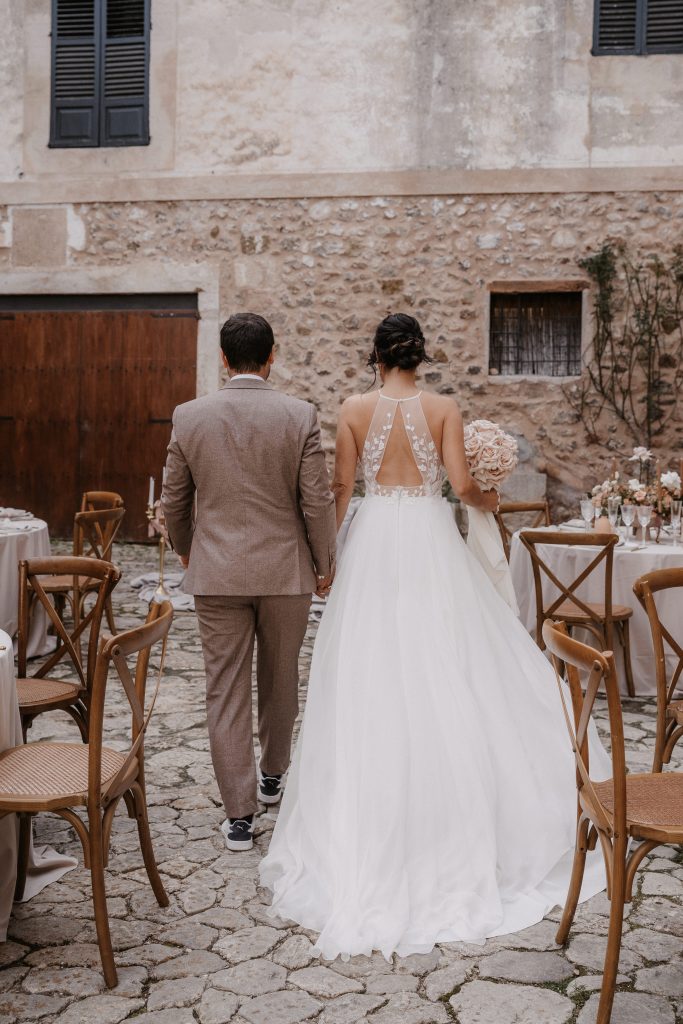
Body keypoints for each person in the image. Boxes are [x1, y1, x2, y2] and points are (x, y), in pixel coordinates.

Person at [259, 312, 610, 960]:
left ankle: (370, 807)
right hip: (427, 537)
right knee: (447, 654)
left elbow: (341, 487)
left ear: (375, 356)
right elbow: (461, 485)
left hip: (373, 539)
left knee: (369, 666)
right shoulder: (443, 407)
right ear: (420, 357)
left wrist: (327, 559)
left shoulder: (353, 408)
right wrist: (489, 501)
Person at [162, 313, 336, 852]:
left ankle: (238, 817)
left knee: (225, 689)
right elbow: (316, 499)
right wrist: (325, 562)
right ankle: (272, 775)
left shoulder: (189, 416)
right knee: (281, 677)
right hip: (285, 571)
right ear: (272, 354)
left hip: (216, 571)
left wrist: (187, 547)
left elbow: (174, 499)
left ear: (222, 357)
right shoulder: (299, 415)